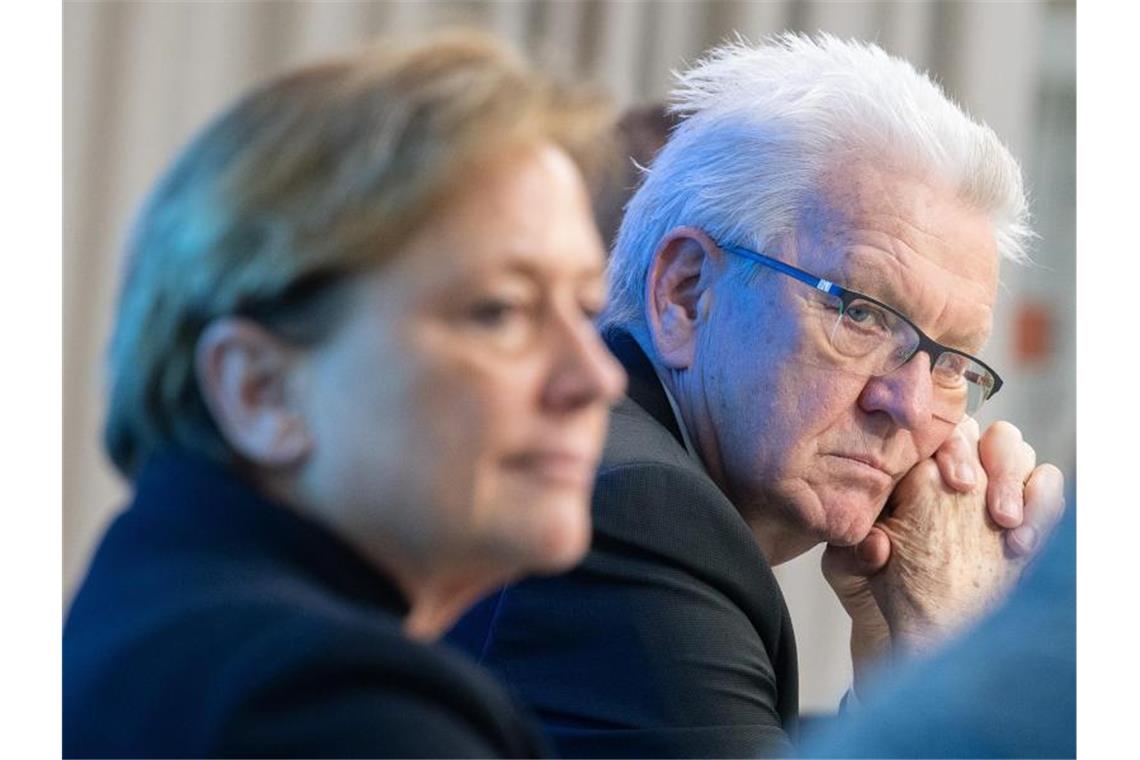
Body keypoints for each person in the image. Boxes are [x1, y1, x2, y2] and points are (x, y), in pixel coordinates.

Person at [447, 33, 1067, 757]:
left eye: (952, 361)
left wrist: (893, 676)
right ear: (684, 293)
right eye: (862, 313)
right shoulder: (637, 515)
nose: (908, 403)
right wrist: (961, 651)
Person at [64, 31, 626, 758]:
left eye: (586, 309)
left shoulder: (153, 612)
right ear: (261, 391)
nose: (595, 379)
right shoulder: (329, 710)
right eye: (500, 312)